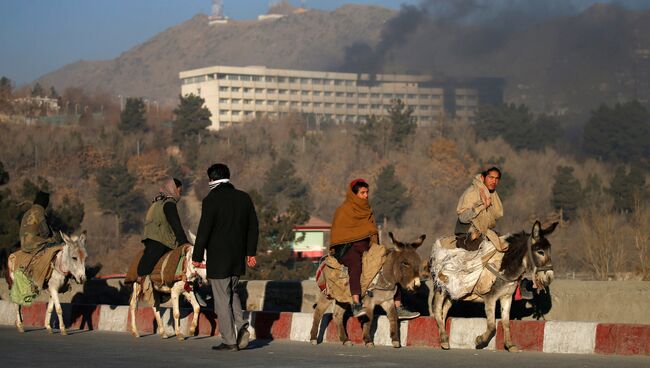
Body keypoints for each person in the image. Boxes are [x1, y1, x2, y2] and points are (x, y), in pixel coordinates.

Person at [329, 179, 419, 319]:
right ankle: (356, 304)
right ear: (354, 194)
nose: (366, 196)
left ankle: (398, 306)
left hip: (366, 247)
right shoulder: (343, 211)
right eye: (362, 193)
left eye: (367, 193)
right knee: (355, 264)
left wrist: (374, 246)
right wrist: (356, 243)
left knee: (394, 261)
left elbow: (371, 231)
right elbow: (339, 234)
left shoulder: (367, 209)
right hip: (347, 248)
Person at [192, 163, 258, 352]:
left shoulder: (211, 200)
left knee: (222, 298)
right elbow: (253, 226)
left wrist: (197, 256)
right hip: (238, 256)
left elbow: (204, 230)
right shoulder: (244, 197)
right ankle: (242, 324)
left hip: (218, 257)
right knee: (232, 292)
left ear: (212, 179)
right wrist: (250, 252)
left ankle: (229, 341)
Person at [138, 177, 191, 278]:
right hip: (161, 240)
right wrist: (185, 243)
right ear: (173, 190)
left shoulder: (157, 202)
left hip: (150, 238)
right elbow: (176, 226)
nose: (180, 195)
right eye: (179, 191)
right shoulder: (169, 204)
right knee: (145, 271)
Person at [455, 167, 504, 252]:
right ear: (482, 177)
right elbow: (462, 218)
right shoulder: (472, 192)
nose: (494, 181)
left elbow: (495, 216)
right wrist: (481, 206)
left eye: (496, 179)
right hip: (467, 235)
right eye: (491, 177)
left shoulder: (492, 195)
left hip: (485, 233)